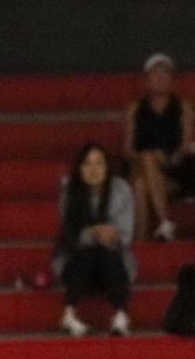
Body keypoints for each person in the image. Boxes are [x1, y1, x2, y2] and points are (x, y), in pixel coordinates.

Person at [124, 53, 195, 243]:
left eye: (165, 74)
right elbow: (127, 149)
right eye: (155, 74)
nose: (160, 78)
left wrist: (167, 158)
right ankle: (163, 224)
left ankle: (142, 241)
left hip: (171, 170)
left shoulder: (182, 107)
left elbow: (184, 144)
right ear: (147, 79)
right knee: (146, 163)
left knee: (141, 186)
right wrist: (148, 158)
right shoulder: (136, 108)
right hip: (140, 166)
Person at [54, 143, 136, 338]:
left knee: (106, 252)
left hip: (112, 260)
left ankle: (120, 316)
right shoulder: (70, 192)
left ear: (107, 167)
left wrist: (109, 234)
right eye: (88, 164)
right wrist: (92, 232)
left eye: (99, 164)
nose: (94, 170)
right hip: (78, 263)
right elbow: (69, 235)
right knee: (87, 250)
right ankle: (69, 314)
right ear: (80, 168)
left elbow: (126, 233)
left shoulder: (121, 190)